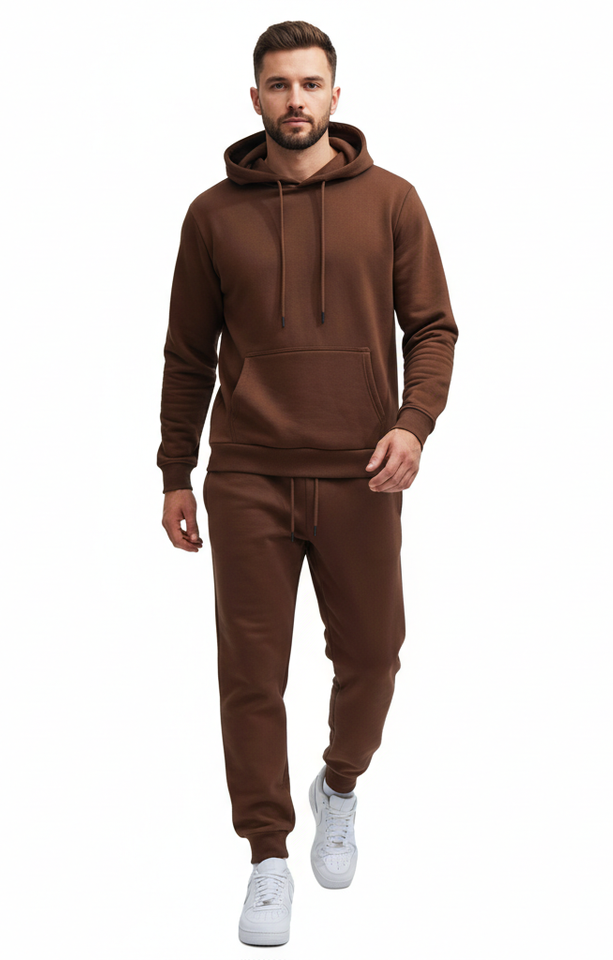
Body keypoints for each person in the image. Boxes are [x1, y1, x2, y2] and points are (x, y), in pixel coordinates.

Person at [158, 20, 458, 946]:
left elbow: (433, 328)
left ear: (336, 94)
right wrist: (175, 471)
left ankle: (340, 783)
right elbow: (186, 354)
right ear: (255, 97)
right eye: (280, 85)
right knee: (250, 675)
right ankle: (266, 856)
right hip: (247, 473)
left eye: (311, 83)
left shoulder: (394, 201)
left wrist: (412, 423)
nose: (296, 100)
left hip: (362, 472)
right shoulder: (212, 215)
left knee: (374, 656)